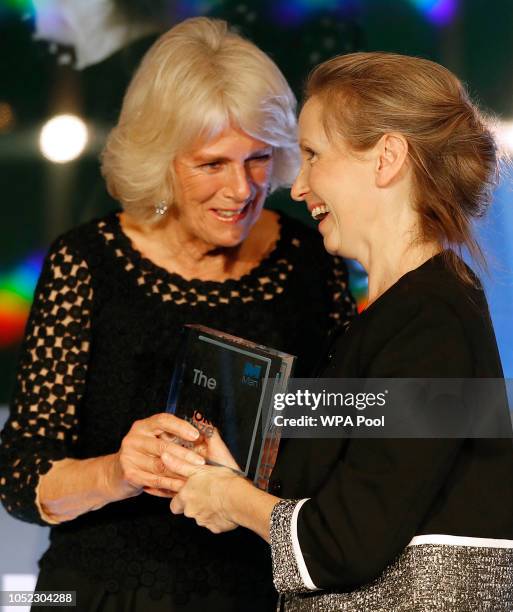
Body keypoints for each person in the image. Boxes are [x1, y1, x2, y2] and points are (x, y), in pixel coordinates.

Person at [0, 18, 356, 612]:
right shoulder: (86, 263)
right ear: (161, 160)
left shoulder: (311, 259)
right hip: (100, 591)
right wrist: (120, 470)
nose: (241, 189)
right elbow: (18, 479)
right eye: (212, 164)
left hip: (266, 591)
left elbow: (354, 423)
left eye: (260, 159)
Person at [164, 52, 513, 610]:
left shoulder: (433, 317)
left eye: (312, 156)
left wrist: (232, 498)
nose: (298, 187)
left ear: (386, 158)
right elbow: (355, 494)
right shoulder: (399, 317)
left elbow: (342, 542)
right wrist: (230, 478)